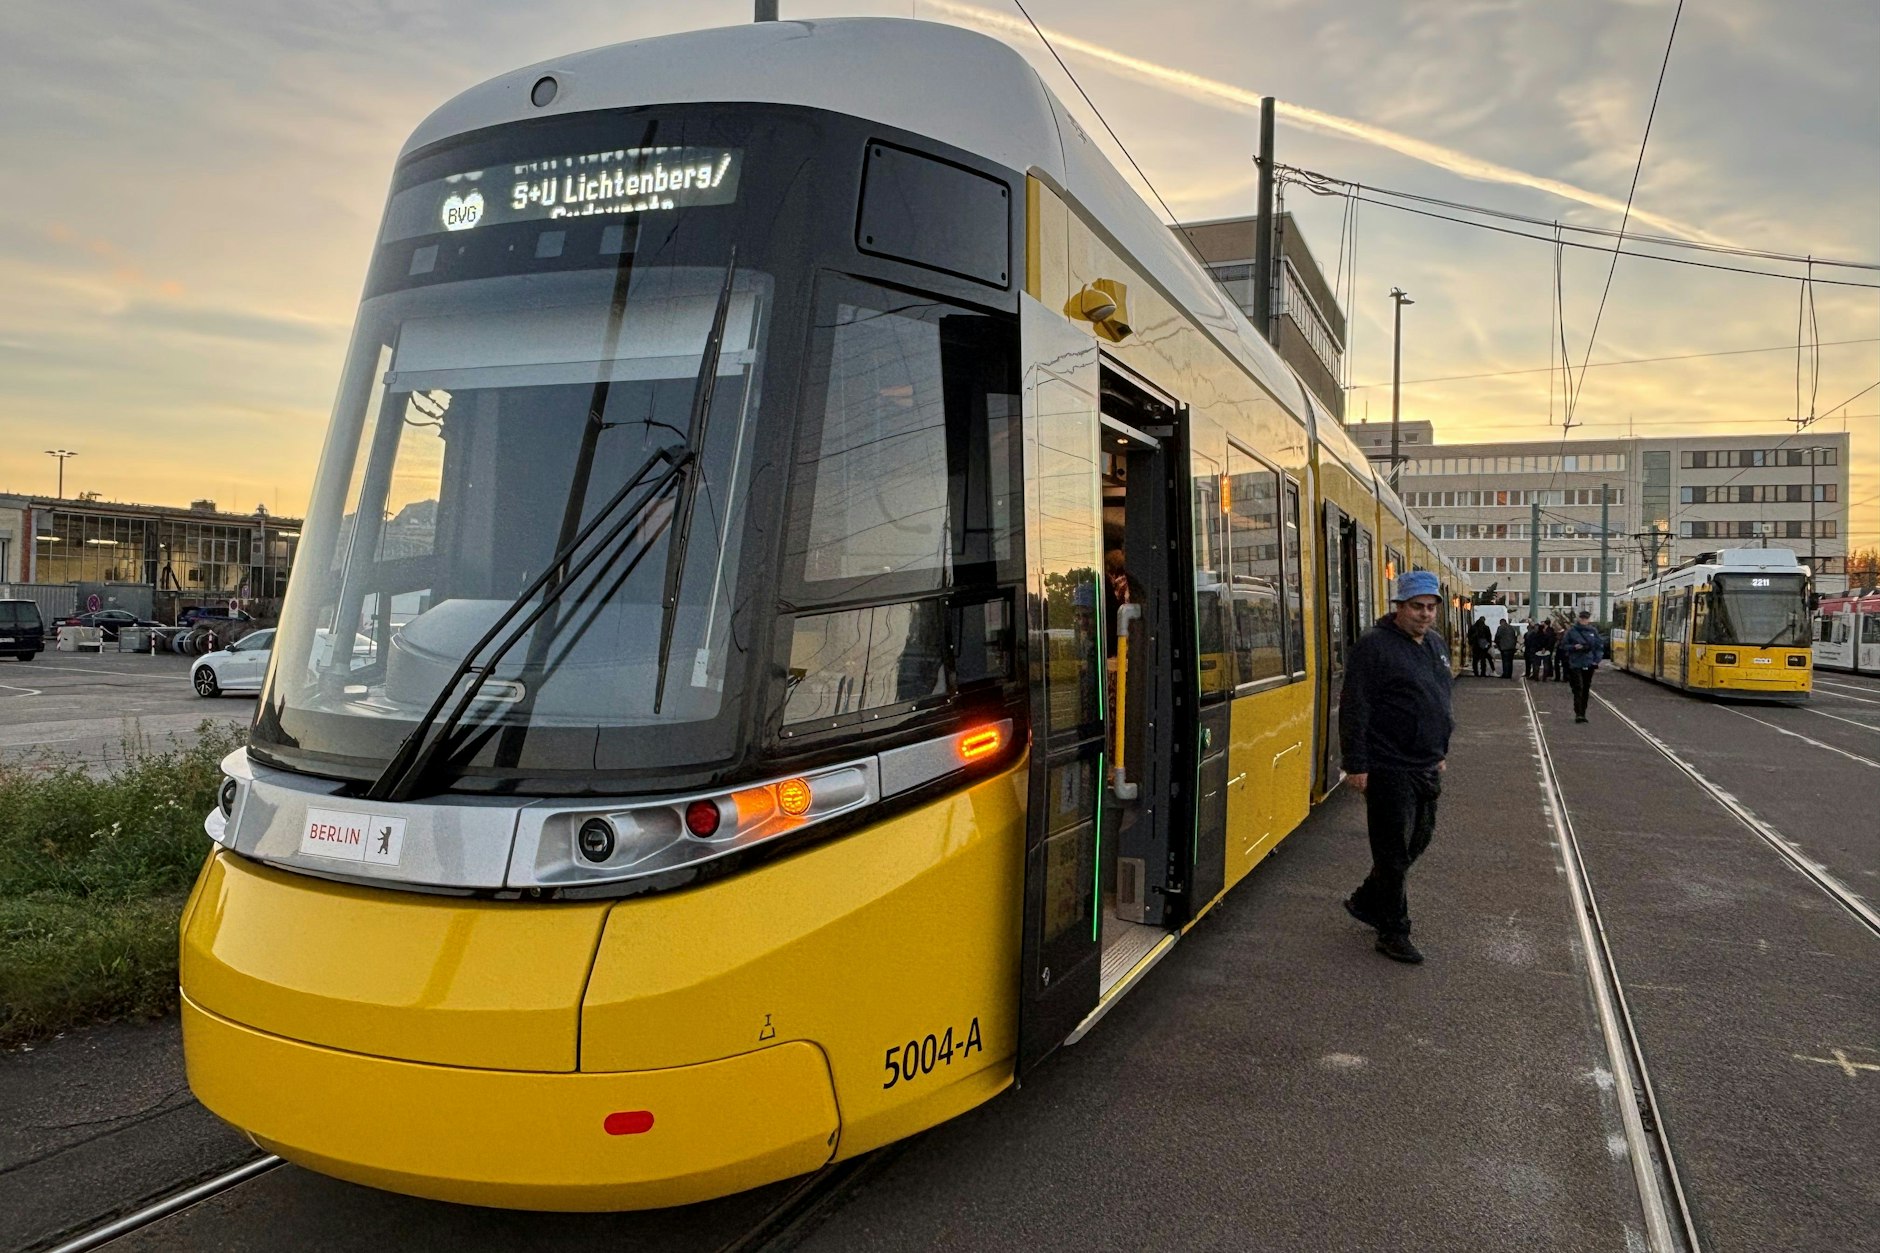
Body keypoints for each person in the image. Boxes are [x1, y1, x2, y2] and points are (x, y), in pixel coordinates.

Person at [1340, 569, 1454, 964]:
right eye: (1416, 607)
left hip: (1426, 762)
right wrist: (1356, 764)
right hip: (1388, 764)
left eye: (1430, 607)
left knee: (1417, 841)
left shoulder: (1435, 645)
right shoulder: (1374, 646)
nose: (1424, 614)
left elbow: (1440, 699)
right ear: (1399, 607)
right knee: (1391, 852)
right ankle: (1393, 930)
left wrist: (1440, 749)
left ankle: (1367, 899)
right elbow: (1356, 707)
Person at [1564, 609, 1603, 722]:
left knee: (1585, 688)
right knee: (1578, 687)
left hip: (1589, 663)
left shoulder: (1593, 631)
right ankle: (1578, 713)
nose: (1584, 620)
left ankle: (1583, 712)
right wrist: (1574, 647)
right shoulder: (1572, 631)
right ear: (1579, 618)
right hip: (1575, 663)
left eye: (1586, 618)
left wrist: (1596, 660)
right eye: (1582, 618)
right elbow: (1564, 645)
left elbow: (1598, 646)